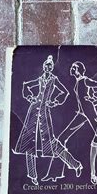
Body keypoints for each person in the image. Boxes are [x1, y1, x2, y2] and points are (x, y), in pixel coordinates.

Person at [42, 61, 97, 182]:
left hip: (90, 113)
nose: (71, 69)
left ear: (78, 70)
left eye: (73, 67)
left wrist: (96, 99)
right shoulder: (78, 82)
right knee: (61, 139)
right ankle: (66, 169)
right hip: (81, 114)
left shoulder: (85, 80)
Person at [13, 55, 82, 186]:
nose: (48, 68)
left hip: (44, 112)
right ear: (44, 67)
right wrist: (30, 97)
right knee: (29, 143)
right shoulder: (39, 79)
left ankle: (75, 165)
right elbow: (26, 86)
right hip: (33, 111)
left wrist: (54, 102)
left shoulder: (54, 80)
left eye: (50, 66)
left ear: (52, 68)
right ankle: (32, 176)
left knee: (51, 143)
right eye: (46, 65)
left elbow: (64, 93)